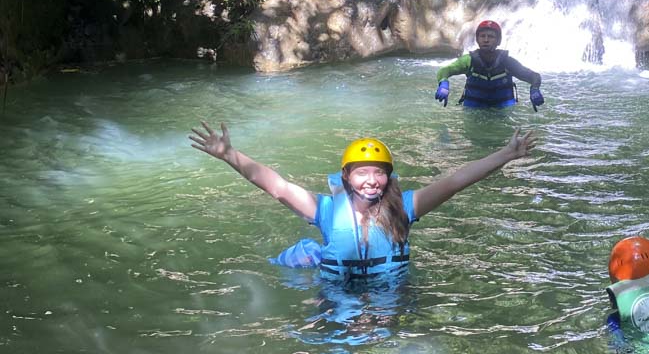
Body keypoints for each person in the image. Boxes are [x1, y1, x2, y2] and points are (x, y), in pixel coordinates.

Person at [189, 122, 536, 281]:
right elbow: (277, 187)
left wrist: (505, 154)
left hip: (392, 293)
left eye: (379, 173)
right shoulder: (326, 210)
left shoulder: (406, 207)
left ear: (389, 177)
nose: (371, 180)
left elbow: (456, 181)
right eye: (361, 173)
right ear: (346, 178)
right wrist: (230, 155)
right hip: (338, 295)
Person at [435, 20, 545, 110]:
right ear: (477, 39)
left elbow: (533, 76)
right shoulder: (468, 60)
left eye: (491, 37)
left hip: (503, 113)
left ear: (498, 41)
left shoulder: (507, 62)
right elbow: (445, 70)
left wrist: (534, 89)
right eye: (482, 36)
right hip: (473, 113)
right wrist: (444, 83)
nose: (486, 40)